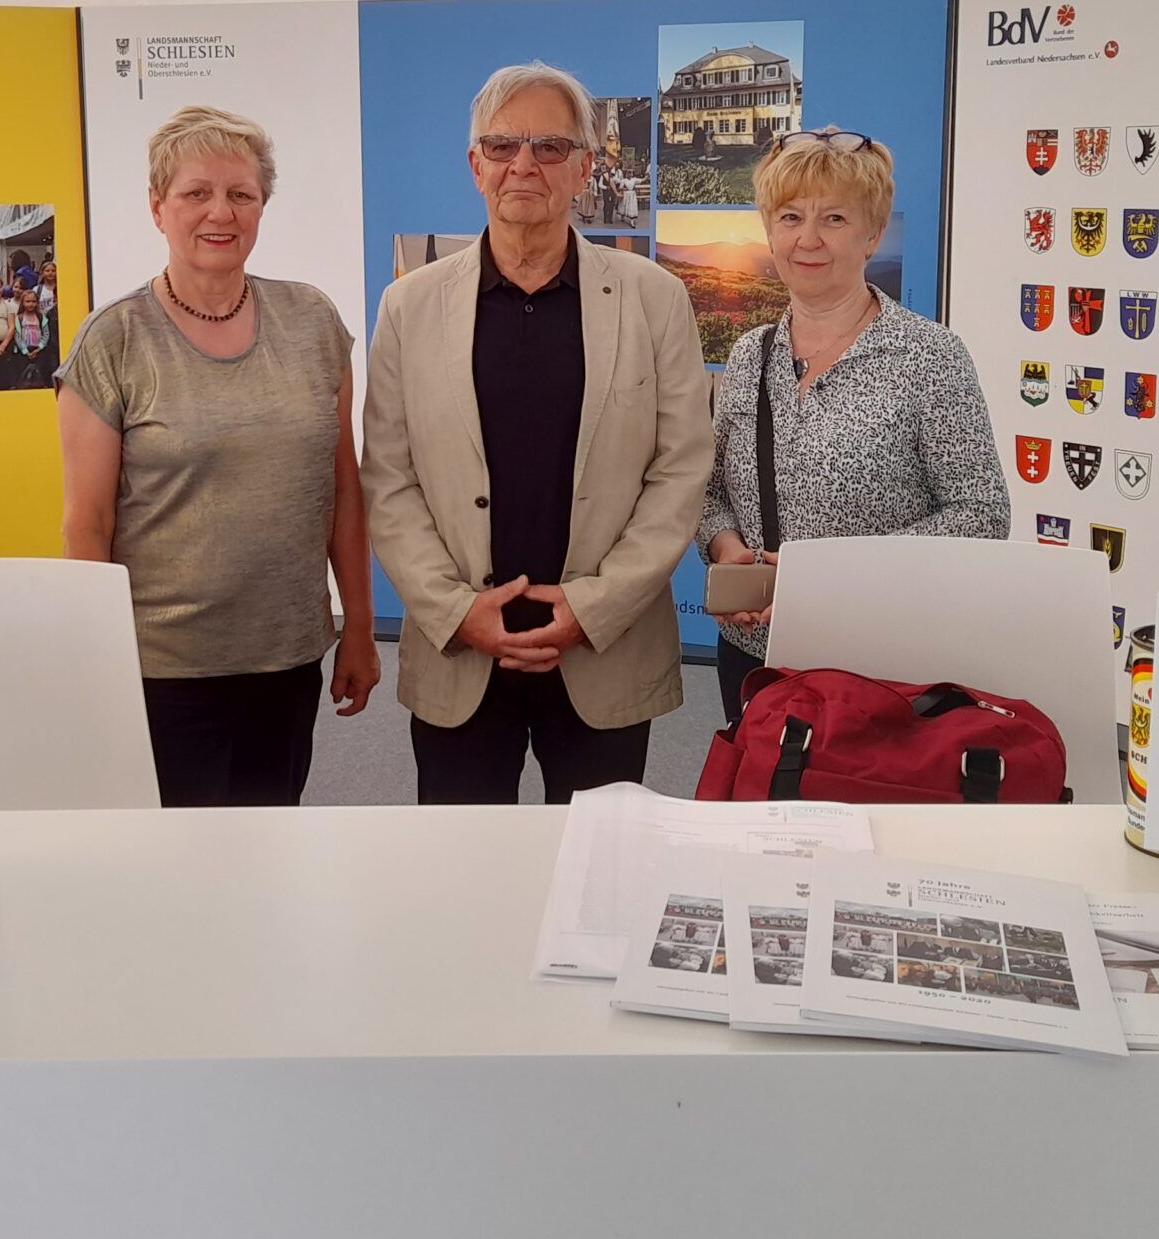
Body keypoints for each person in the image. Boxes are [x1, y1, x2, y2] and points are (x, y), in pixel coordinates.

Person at [363, 61, 711, 803]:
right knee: (461, 878)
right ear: (474, 165)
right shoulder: (408, 307)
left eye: (550, 147)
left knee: (600, 882)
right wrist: (458, 613)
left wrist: (593, 607)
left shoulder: (655, 299)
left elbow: (682, 471)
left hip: (604, 652)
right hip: (461, 655)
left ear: (586, 167)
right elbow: (388, 482)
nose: (524, 164)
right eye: (502, 146)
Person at [59, 104, 378, 807]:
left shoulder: (314, 322)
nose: (220, 213)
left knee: (269, 852)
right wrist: (95, 663)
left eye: (241, 194)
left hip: (287, 657)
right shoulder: (112, 341)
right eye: (196, 193)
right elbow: (87, 526)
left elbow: (341, 490)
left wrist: (358, 626)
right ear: (157, 207)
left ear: (263, 206)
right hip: (162, 670)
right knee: (176, 874)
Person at [699, 128, 1008, 724]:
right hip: (755, 661)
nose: (807, 239)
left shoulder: (929, 355)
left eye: (834, 219)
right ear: (770, 232)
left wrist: (826, 577)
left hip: (880, 666)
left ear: (872, 234)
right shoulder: (748, 354)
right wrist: (725, 549)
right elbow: (711, 492)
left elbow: (982, 513)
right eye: (790, 217)